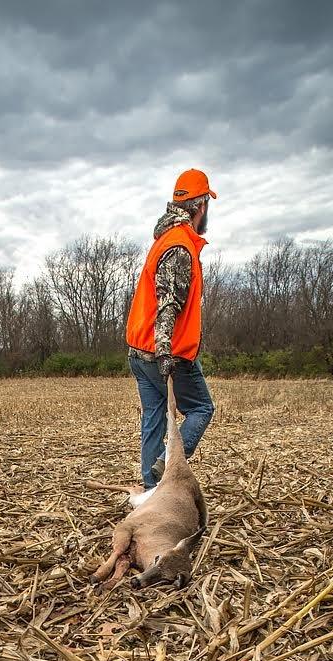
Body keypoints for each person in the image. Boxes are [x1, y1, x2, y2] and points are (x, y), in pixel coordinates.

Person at [126, 168, 216, 488]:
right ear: (200, 206)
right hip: (166, 354)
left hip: (138, 352)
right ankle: (167, 464)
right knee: (202, 408)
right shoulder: (179, 246)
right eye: (207, 205)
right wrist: (166, 353)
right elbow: (169, 305)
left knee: (153, 421)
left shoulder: (164, 239)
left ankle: (152, 494)